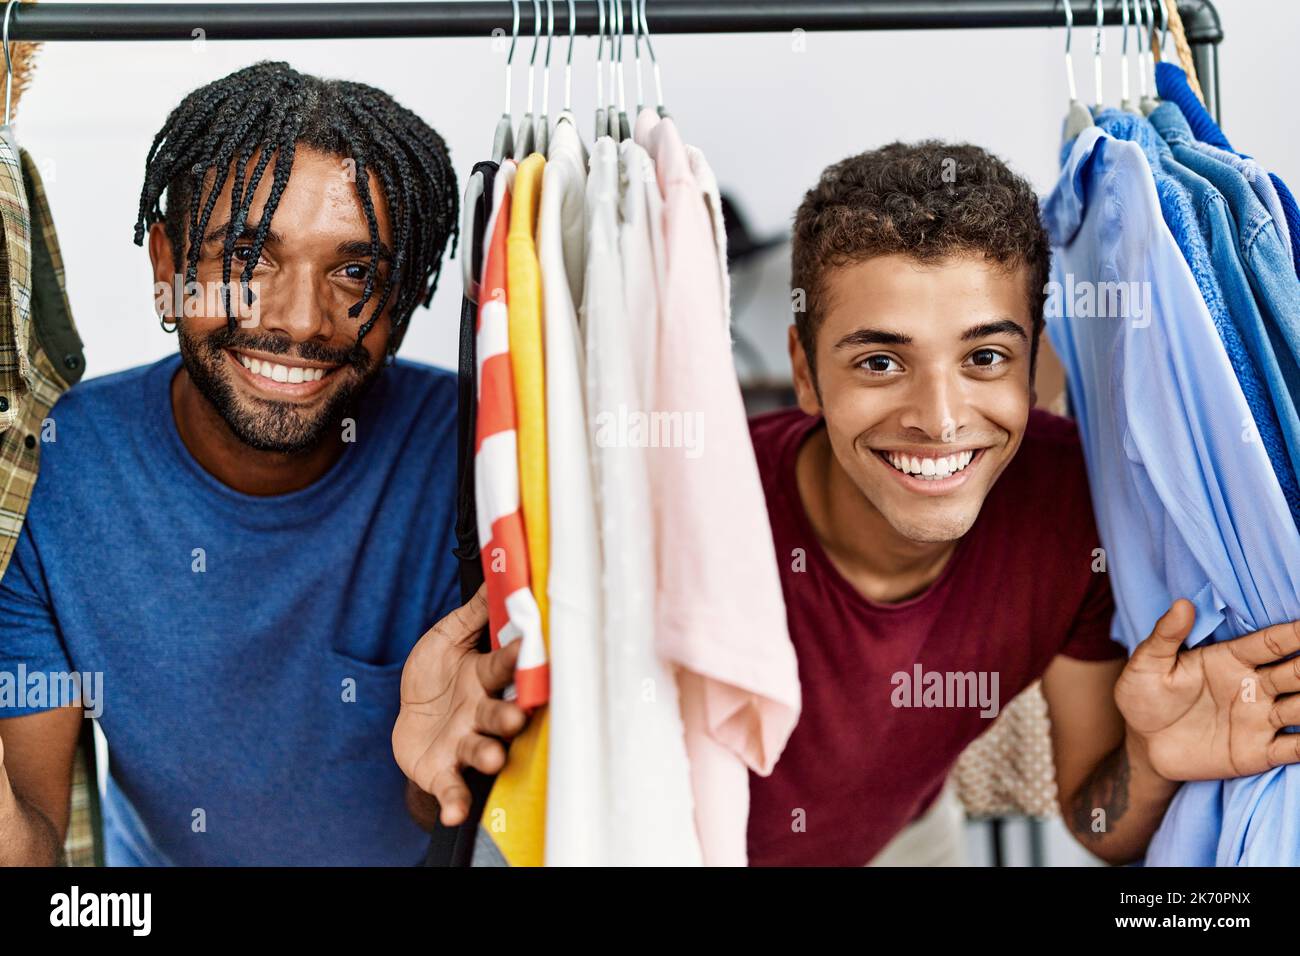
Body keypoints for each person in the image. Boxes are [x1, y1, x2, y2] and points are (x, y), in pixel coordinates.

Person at [401, 141, 1300, 866]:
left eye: (985, 358)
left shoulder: (1076, 509)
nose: (940, 419)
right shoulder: (683, 521)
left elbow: (1094, 825)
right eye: (880, 361)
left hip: (902, 840)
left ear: (1037, 363)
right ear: (803, 370)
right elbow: (485, 797)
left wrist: (1148, 762)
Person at [0, 61, 521, 865]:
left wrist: (436, 780)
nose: (301, 320)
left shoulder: (479, 455)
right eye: (248, 256)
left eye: (356, 271)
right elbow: (29, 845)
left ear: (412, 291)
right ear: (168, 268)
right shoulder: (55, 473)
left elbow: (448, 801)